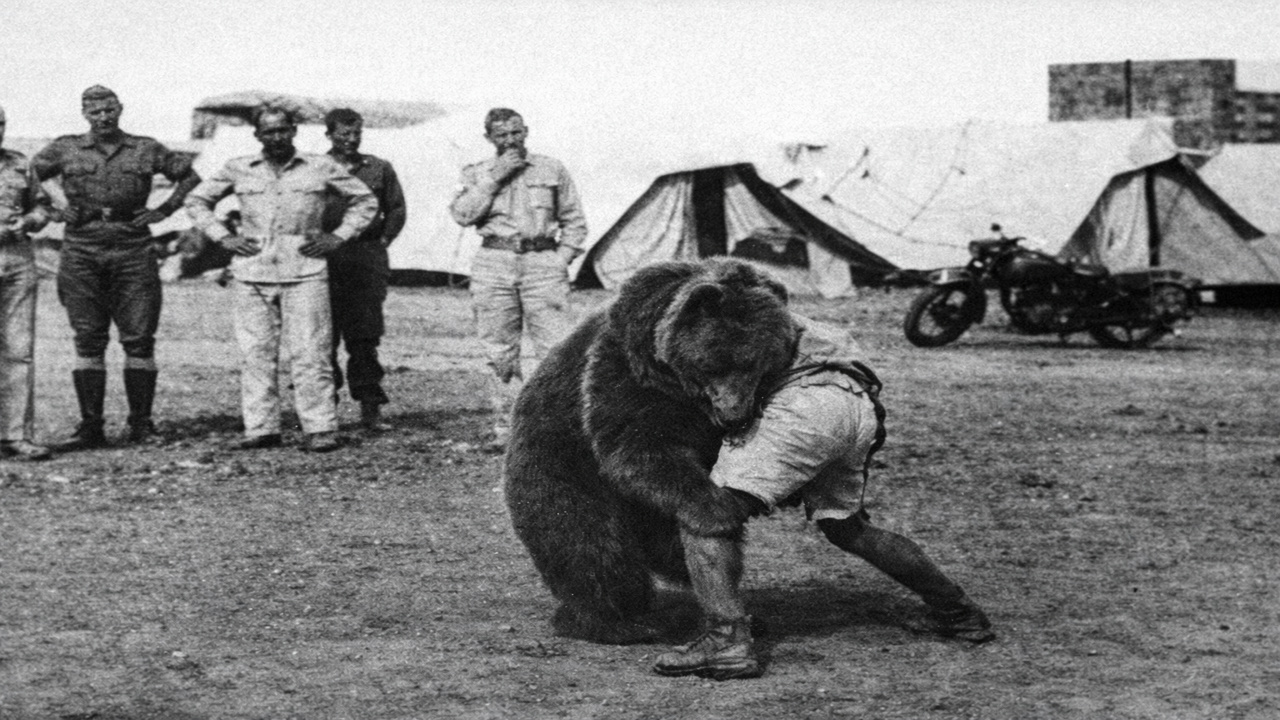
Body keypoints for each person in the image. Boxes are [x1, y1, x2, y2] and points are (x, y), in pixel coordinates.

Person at [653, 315, 994, 680]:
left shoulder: (723, 325)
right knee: (846, 527)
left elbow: (732, 408)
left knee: (706, 514)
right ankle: (958, 613)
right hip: (855, 405)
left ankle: (726, 642)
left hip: (804, 406)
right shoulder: (794, 319)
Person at [184, 107, 377, 453]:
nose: (276, 138)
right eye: (268, 132)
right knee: (255, 352)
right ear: (257, 135)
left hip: (305, 269)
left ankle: (319, 427)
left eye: (282, 131)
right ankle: (261, 427)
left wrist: (339, 236)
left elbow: (364, 200)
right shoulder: (239, 167)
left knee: (311, 352)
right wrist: (222, 237)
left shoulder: (320, 166)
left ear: (294, 131)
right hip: (252, 270)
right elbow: (197, 200)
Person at [32, 85, 201, 450]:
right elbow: (33, 174)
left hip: (132, 247)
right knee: (88, 337)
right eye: (95, 112)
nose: (103, 117)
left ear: (119, 109)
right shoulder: (66, 147)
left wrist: (164, 211)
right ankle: (91, 426)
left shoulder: (145, 147)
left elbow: (188, 176)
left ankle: (142, 423)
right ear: (84, 114)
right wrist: (58, 206)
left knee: (139, 338)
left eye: (109, 110)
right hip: (82, 248)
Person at [449, 108, 586, 447]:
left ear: (526, 131)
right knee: (499, 350)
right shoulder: (476, 173)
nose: (511, 141)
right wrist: (494, 179)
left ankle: (561, 431)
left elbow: (575, 220)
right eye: (502, 135)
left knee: (557, 348)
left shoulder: (551, 168)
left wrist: (560, 260)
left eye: (516, 133)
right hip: (494, 261)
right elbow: (463, 215)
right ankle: (508, 430)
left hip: (542, 261)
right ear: (489, 138)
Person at [321, 108, 406, 431]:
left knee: (364, 335)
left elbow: (396, 208)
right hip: (325, 256)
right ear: (329, 134)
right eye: (344, 134)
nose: (351, 140)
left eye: (356, 134)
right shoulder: (317, 167)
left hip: (364, 257)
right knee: (321, 336)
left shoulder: (379, 168)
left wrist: (381, 241)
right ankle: (323, 409)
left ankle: (370, 406)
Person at [0, 105, 54, 460]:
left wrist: (31, 221)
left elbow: (42, 205)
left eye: (0, 123)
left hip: (17, 258)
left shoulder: (20, 163)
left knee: (18, 350)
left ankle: (14, 435)